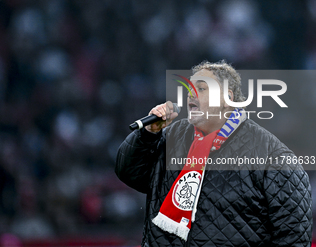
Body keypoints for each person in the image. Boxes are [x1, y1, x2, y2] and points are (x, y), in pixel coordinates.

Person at [115, 60, 313, 246]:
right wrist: (148, 135)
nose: (191, 94)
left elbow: (293, 232)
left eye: (201, 88)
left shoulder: (270, 153)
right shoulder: (172, 135)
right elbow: (129, 173)